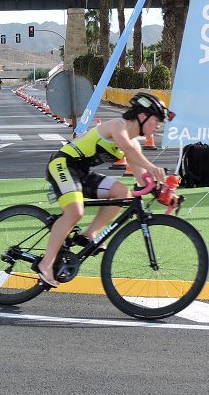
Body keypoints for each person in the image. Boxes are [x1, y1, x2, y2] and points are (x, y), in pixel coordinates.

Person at [36, 92, 171, 287]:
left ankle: (90, 233)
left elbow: (142, 178)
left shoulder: (135, 144)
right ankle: (46, 264)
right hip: (63, 164)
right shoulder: (117, 126)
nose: (158, 126)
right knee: (75, 211)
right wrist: (152, 167)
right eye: (156, 120)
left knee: (122, 193)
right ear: (142, 116)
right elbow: (128, 149)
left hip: (81, 172)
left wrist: (164, 193)